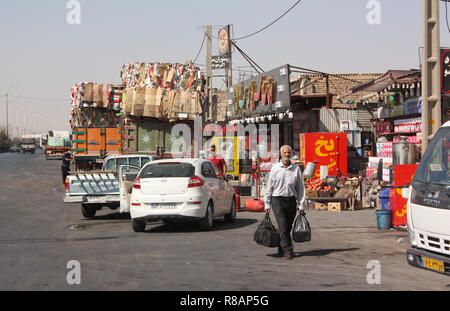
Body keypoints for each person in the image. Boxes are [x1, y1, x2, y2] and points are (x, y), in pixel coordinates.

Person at [264, 145, 306, 259]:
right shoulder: (275, 168)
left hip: (291, 200)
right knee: (282, 225)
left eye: (289, 153)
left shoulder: (295, 169)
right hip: (277, 199)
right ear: (281, 154)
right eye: (285, 153)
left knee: (288, 226)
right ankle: (288, 249)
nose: (287, 155)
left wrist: (301, 204)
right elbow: (270, 186)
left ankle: (281, 246)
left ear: (291, 154)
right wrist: (267, 203)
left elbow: (300, 188)